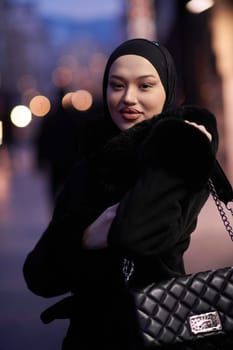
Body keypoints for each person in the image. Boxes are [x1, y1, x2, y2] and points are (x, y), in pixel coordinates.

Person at [23, 38, 219, 350]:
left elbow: (134, 233)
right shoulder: (90, 163)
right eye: (117, 85)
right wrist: (87, 236)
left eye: (145, 86)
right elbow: (38, 275)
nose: (128, 98)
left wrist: (174, 141)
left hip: (159, 330)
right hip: (88, 338)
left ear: (167, 90)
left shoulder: (180, 153)